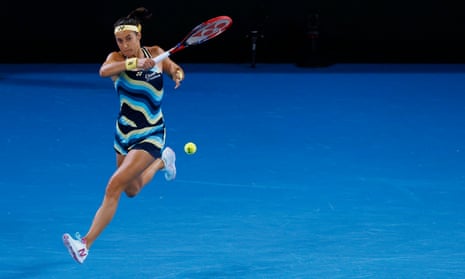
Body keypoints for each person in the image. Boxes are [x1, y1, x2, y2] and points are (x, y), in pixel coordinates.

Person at [62, 7, 185, 264]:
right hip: (123, 134)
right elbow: (104, 71)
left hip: (150, 133)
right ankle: (164, 161)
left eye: (129, 38)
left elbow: (171, 64)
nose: (125, 44)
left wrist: (176, 72)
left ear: (139, 36)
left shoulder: (155, 53)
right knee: (132, 190)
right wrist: (133, 63)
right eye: (120, 40)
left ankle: (84, 244)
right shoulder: (116, 59)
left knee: (114, 186)